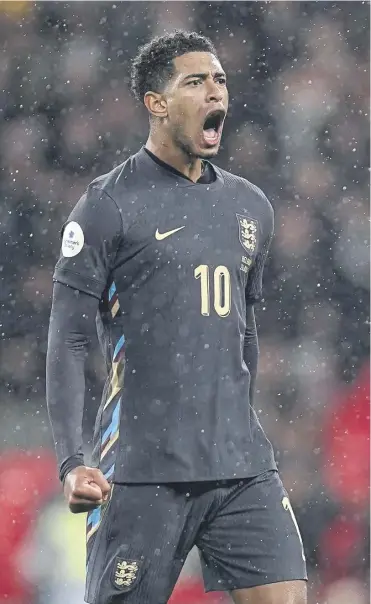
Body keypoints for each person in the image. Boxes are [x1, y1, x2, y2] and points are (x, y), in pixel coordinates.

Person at [46, 30, 307, 604]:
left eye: (220, 80)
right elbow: (66, 339)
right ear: (156, 103)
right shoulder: (107, 205)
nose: (215, 91)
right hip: (142, 471)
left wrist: (233, 417)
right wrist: (71, 460)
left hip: (240, 467)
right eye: (195, 81)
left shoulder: (251, 207)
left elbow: (247, 333)